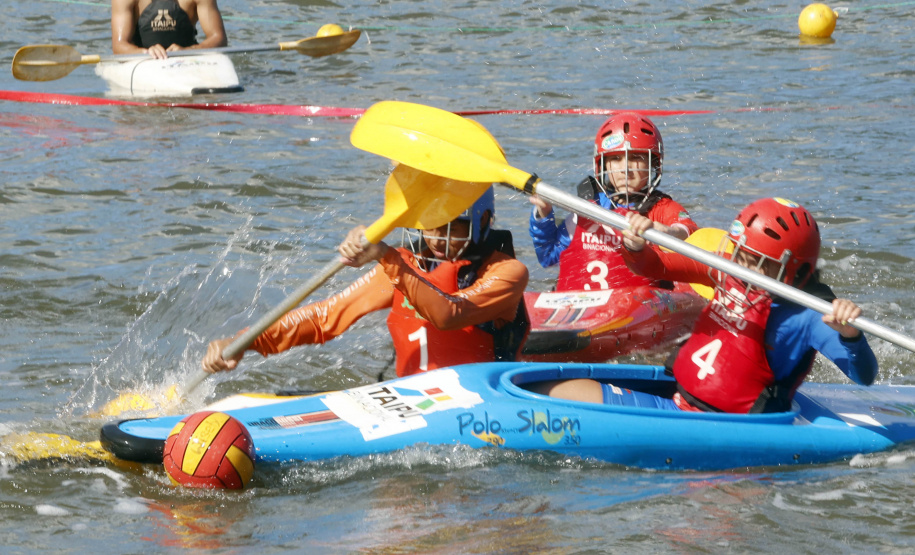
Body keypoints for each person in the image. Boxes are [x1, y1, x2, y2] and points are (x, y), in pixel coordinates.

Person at [535, 197, 878, 413]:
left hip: (726, 423)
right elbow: (657, 266)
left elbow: (864, 375)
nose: (740, 266)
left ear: (794, 270)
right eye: (738, 253)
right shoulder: (727, 270)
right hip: (683, 399)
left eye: (755, 262)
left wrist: (850, 335)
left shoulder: (811, 316)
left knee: (554, 398)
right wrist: (636, 247)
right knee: (548, 388)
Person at [202, 184, 530, 378]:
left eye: (452, 227)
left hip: (487, 397)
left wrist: (385, 256)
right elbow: (324, 318)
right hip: (414, 399)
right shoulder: (404, 265)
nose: (436, 238)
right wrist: (244, 342)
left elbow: (449, 314)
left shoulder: (507, 272)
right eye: (430, 225)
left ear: (483, 221)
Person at [529, 112, 698, 291]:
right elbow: (548, 257)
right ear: (603, 165)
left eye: (636, 158)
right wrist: (543, 215)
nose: (625, 169)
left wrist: (667, 232)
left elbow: (691, 233)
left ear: (653, 164)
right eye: (616, 158)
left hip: (642, 302)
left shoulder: (663, 208)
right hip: (584, 301)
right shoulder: (588, 207)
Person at [111, 0, 227, 59]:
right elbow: (119, 45)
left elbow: (218, 38)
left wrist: (189, 50)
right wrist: (145, 52)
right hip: (141, 59)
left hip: (188, 58)